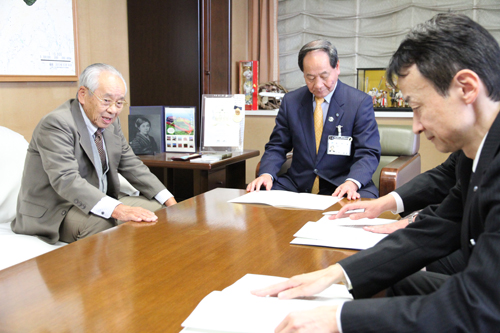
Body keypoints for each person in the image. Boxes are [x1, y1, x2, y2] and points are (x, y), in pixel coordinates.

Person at [253, 13, 500, 331]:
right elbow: (436, 229)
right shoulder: (473, 153)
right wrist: (335, 274)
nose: (416, 126)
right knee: (392, 285)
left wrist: (339, 319)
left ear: (466, 88)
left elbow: (478, 307)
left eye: (416, 106)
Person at [13, 63, 177, 244]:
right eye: (106, 101)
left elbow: (132, 164)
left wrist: (170, 202)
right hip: (58, 209)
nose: (113, 110)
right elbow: (66, 180)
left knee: (158, 212)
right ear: (83, 94)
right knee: (102, 222)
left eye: (119, 102)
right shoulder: (56, 124)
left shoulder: (110, 123)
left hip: (98, 199)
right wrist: (118, 209)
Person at [246, 40, 381, 200]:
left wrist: (352, 182)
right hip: (298, 185)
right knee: (257, 198)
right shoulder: (292, 101)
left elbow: (368, 153)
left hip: (342, 184)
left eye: (324, 76)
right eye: (310, 78)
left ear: (337, 67)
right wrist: (266, 174)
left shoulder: (358, 102)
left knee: (362, 210)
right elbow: (277, 146)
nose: (318, 85)